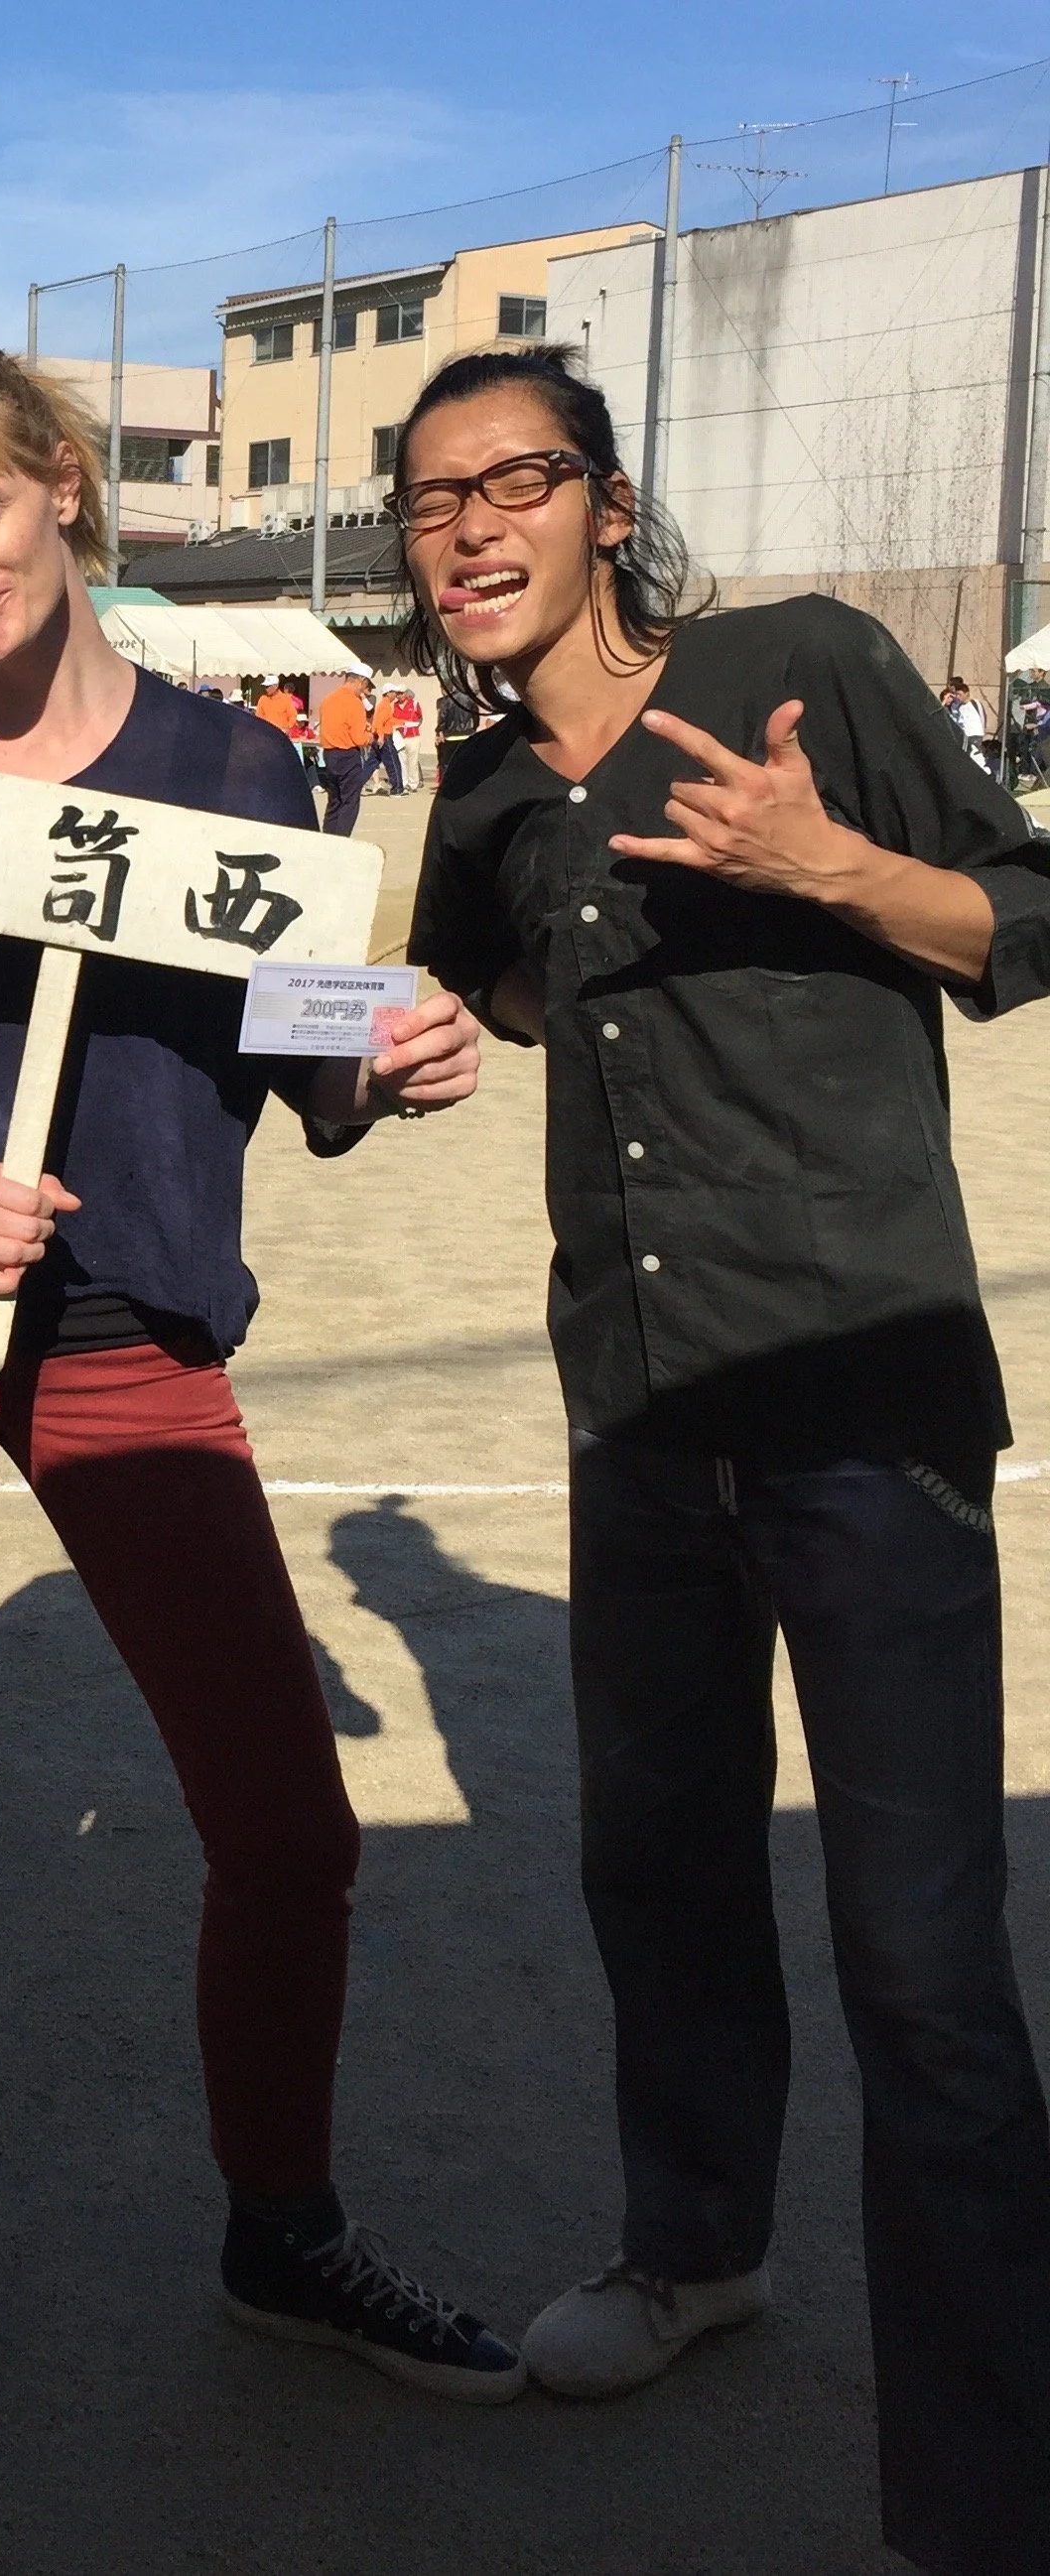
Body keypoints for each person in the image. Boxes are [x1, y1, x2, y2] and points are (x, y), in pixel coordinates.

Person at [0, 347, 513, 2449]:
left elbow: (298, 1061)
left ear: (69, 492)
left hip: (132, 1328)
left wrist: (389, 1059)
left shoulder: (237, 773)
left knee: (285, 1814)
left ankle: (281, 2224)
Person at [397, 340, 1050, 2576]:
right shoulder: (478, 801)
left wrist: (833, 859)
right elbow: (485, 986)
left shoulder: (803, 667)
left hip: (860, 1403)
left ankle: (984, 2490)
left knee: (925, 1961)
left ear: (603, 500)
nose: (472, 530)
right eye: (432, 502)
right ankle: (697, 2245)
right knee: (656, 1867)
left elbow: (1024, 917)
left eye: (517, 482)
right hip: (640, 1409)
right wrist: (425, 1039)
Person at [316, 670, 376, 835]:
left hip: (329, 754)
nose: (364, 690)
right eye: (365, 685)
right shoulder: (354, 702)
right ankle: (342, 839)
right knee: (350, 801)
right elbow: (358, 738)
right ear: (361, 680)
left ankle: (328, 836)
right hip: (347, 755)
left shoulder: (328, 699)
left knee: (334, 800)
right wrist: (369, 737)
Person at [942, 676, 990, 772]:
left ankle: (986, 772)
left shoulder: (974, 703)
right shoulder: (956, 706)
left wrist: (981, 730)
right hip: (964, 734)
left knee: (975, 755)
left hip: (974, 733)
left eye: (959, 694)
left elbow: (982, 716)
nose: (957, 696)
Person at [371, 682, 412, 794]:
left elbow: (389, 720)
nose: (396, 695)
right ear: (388, 693)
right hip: (384, 736)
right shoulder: (385, 706)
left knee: (371, 763)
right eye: (394, 692)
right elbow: (380, 722)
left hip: (380, 736)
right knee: (393, 762)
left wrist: (403, 722)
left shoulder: (385, 705)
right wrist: (380, 736)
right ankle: (397, 788)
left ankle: (356, 785)